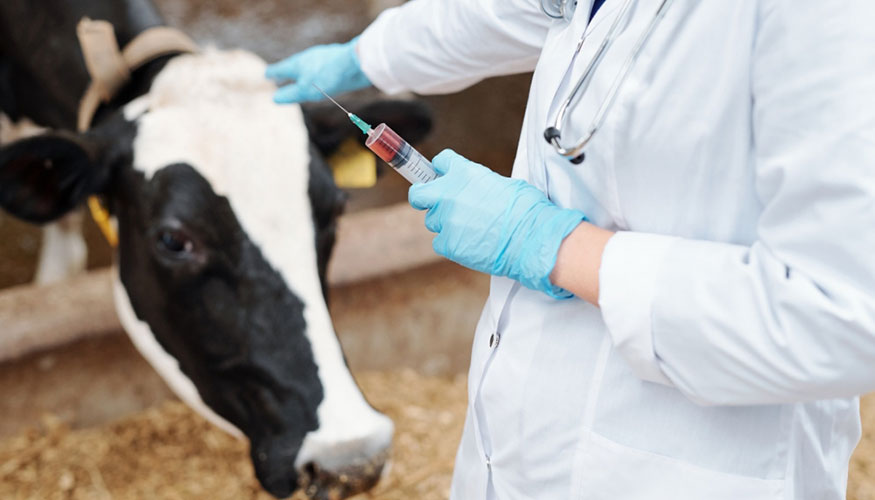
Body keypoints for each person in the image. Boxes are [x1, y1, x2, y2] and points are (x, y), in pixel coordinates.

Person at [266, 0, 875, 498]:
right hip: (517, 448)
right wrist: (369, 55)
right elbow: (508, 8)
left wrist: (556, 248)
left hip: (684, 466)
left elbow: (838, 317)